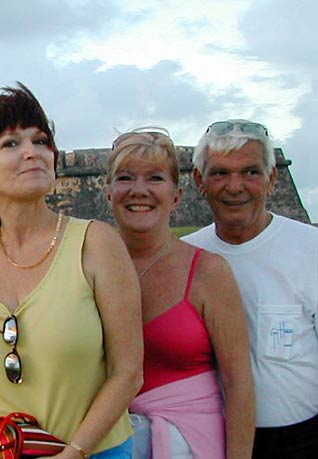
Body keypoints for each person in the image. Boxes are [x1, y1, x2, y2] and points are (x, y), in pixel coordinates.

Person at [0, 84, 142, 458]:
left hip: (95, 452)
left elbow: (128, 373)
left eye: (40, 140)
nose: (32, 153)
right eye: (11, 144)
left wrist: (74, 453)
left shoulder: (96, 243)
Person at [106, 128, 254, 458]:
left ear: (176, 195)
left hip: (192, 445)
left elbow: (239, 384)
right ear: (108, 193)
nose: (139, 191)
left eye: (155, 178)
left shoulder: (207, 272)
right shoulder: (88, 269)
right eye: (126, 178)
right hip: (110, 444)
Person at [184, 119, 318, 459]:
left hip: (303, 436)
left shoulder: (310, 249)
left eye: (250, 173)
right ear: (200, 181)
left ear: (272, 179)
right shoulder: (186, 257)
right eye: (220, 174)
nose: (235, 186)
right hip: (210, 438)